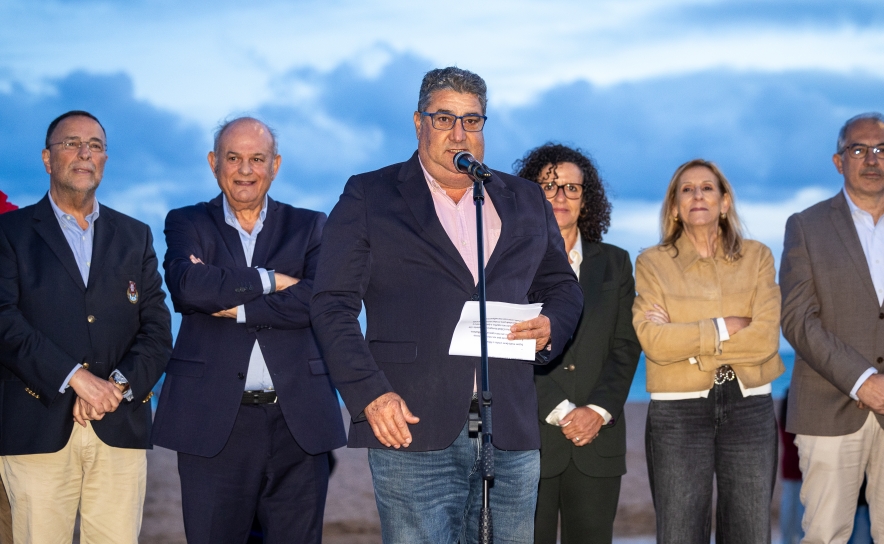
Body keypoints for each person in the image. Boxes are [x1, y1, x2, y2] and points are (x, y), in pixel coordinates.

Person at [311, 67, 583, 544]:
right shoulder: (369, 195)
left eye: (471, 121)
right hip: (411, 426)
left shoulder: (524, 198)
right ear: (419, 123)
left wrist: (551, 325)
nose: (459, 133)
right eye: (444, 119)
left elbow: (562, 285)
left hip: (510, 426)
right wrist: (370, 394)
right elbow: (332, 305)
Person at [151, 117, 346, 544]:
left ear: (275, 165)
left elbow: (318, 299)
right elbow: (188, 287)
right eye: (233, 158)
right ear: (213, 163)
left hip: (298, 421)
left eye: (257, 159)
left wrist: (237, 307)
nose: (245, 170)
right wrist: (271, 280)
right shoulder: (186, 222)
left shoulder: (311, 225)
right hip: (212, 421)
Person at [0, 110, 172, 543]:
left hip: (119, 426)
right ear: (47, 158)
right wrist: (76, 378)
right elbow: (4, 321)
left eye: (94, 145)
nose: (84, 153)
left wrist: (114, 386)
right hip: (36, 428)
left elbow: (157, 327)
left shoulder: (136, 235)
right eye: (71, 143)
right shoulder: (9, 232)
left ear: (105, 160)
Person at [632, 158, 784, 543]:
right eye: (687, 189)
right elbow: (653, 341)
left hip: (750, 405)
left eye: (707, 188)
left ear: (725, 202)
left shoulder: (759, 257)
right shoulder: (652, 262)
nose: (697, 195)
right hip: (677, 411)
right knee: (680, 534)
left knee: (750, 534)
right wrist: (724, 326)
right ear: (674, 207)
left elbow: (766, 339)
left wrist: (688, 345)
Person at [514, 143, 640, 544]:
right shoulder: (509, 265)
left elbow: (626, 346)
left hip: (597, 441)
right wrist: (562, 410)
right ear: (530, 194)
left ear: (587, 198)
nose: (560, 196)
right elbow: (510, 345)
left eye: (571, 187)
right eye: (548, 186)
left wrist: (597, 411)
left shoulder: (616, 263)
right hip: (530, 440)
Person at [780, 112, 884, 542]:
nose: (872, 159)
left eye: (881, 149)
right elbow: (797, 319)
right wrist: (863, 381)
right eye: (859, 149)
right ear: (839, 161)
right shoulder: (806, 226)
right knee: (825, 535)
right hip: (829, 408)